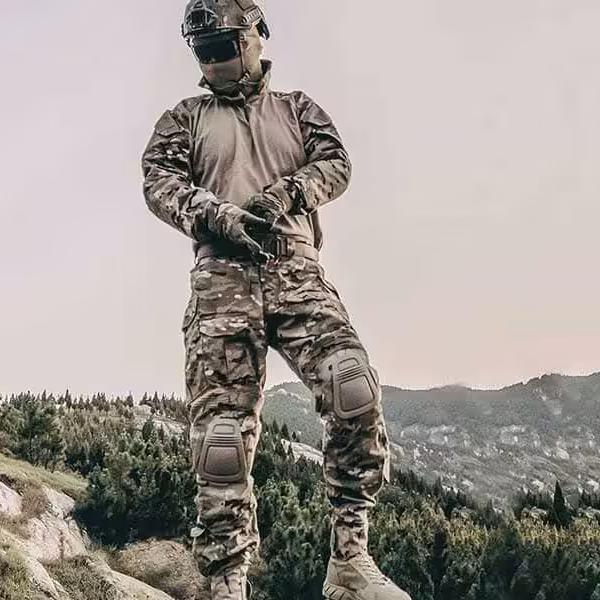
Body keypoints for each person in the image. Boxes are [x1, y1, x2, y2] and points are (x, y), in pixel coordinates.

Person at [141, 1, 411, 598]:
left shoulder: (297, 110)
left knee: (353, 389)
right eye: (204, 53)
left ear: (258, 35)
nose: (214, 63)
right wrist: (218, 215)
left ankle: (348, 557)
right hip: (221, 284)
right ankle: (226, 583)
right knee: (221, 445)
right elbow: (158, 182)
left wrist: (288, 193)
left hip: (296, 271)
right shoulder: (184, 119)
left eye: (225, 48)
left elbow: (336, 163)